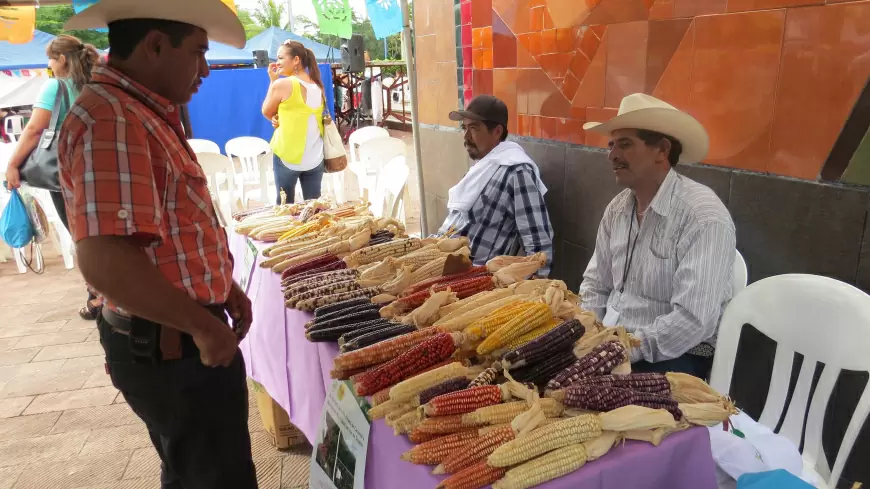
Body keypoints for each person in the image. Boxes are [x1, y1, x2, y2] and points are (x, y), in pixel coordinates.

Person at [58, 2, 257, 488]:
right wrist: (203, 328)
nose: (206, 70)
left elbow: (165, 230)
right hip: (173, 345)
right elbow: (105, 259)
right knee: (216, 475)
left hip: (174, 336)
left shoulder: (139, 110)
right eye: (198, 53)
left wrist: (220, 285)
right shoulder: (115, 118)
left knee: (191, 468)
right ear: (154, 45)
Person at [579, 93, 736, 378]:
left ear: (662, 150)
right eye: (611, 145)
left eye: (625, 144)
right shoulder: (618, 209)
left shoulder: (702, 217)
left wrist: (623, 349)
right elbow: (595, 284)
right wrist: (589, 332)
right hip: (613, 343)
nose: (612, 155)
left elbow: (692, 320)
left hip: (677, 355)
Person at [4, 34, 103, 320]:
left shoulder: (55, 86)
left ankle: (98, 298)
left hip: (67, 173)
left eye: (51, 58)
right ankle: (103, 295)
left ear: (61, 59)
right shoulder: (98, 84)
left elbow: (35, 130)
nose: (49, 64)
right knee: (103, 234)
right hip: (101, 167)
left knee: (81, 235)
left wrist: (13, 164)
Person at [438, 95, 554, 276]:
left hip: (474, 280)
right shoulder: (483, 167)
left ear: (497, 131)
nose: (466, 136)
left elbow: (538, 244)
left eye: (474, 128)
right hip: (441, 267)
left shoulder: (517, 172)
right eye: (464, 128)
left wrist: (534, 291)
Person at [262, 40, 325, 204]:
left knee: (284, 208)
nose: (277, 62)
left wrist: (273, 80)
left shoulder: (282, 84)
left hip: (288, 157)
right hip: (315, 157)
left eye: (281, 58)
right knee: (313, 209)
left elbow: (267, 111)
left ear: (296, 60)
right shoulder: (317, 85)